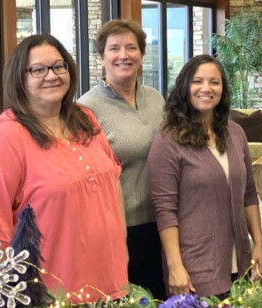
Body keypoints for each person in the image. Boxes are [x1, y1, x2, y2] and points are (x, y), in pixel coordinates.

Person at [0, 33, 128, 303]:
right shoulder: (1, 138)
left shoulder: (84, 118)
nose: (51, 75)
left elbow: (113, 183)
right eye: (38, 69)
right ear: (20, 77)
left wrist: (122, 251)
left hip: (112, 287)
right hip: (49, 297)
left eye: (58, 66)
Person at [147, 54, 262, 298]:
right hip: (195, 264)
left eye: (214, 82)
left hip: (239, 259)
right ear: (184, 87)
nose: (206, 88)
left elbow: (249, 194)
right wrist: (175, 266)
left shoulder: (235, 133)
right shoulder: (168, 140)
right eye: (197, 81)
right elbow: (165, 210)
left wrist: (259, 244)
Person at [78, 19, 166, 299]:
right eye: (114, 48)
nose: (123, 55)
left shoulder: (156, 99)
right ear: (101, 57)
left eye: (131, 47)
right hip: (121, 230)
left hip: (165, 223)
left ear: (141, 55)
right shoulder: (86, 109)